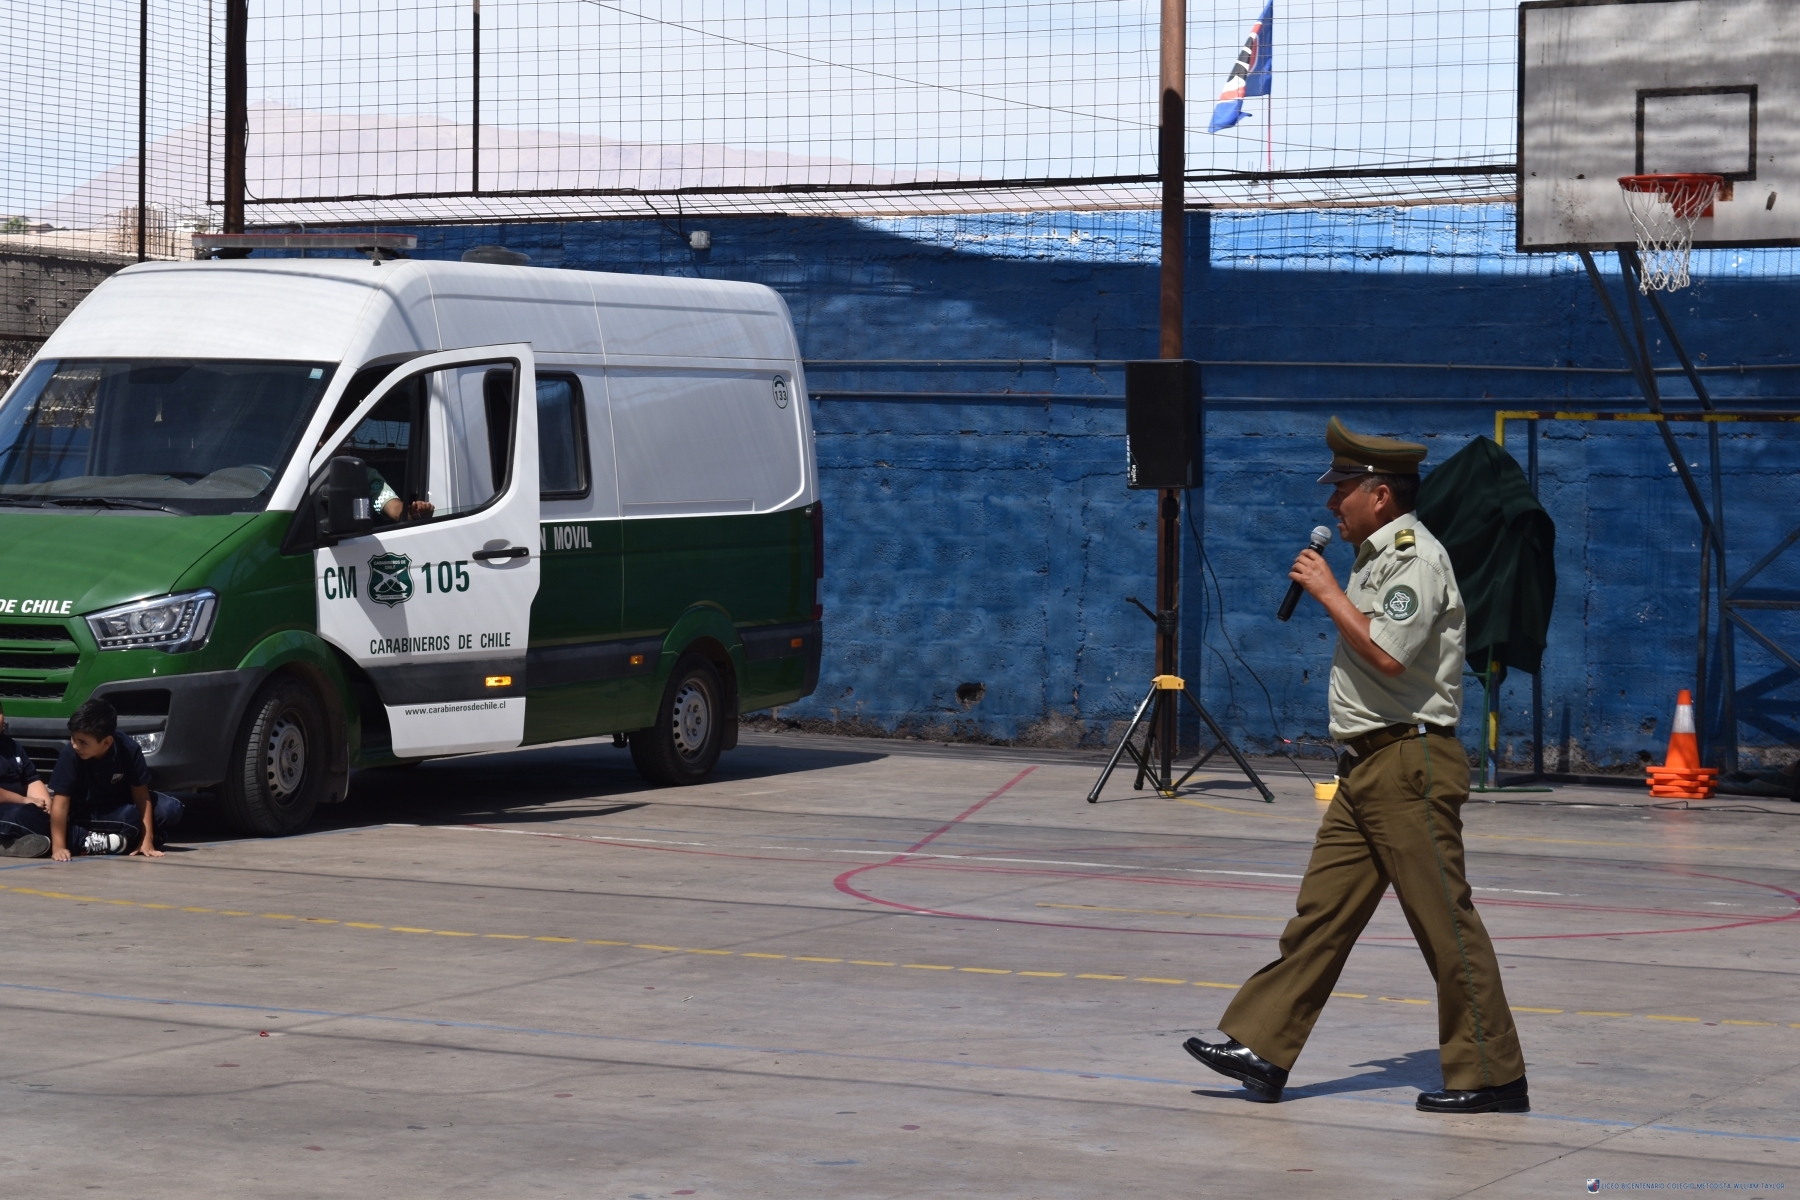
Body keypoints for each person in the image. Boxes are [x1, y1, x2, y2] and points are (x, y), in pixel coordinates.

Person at [1183, 417, 1528, 1115]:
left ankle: (1493, 1075)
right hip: (1365, 766)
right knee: (1322, 913)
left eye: (1341, 489)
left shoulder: (1414, 558)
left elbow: (1389, 655)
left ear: (1380, 494)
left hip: (1408, 763)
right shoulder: (1375, 558)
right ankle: (1263, 1047)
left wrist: (1327, 592)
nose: (1331, 503)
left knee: (1445, 924)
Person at [47, 698, 183, 861]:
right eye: (73, 738)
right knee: (132, 818)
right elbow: (60, 804)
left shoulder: (128, 749)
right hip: (88, 811)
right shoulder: (70, 755)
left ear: (107, 742)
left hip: (121, 804)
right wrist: (59, 847)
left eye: (83, 742)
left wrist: (147, 840)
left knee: (170, 809)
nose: (75, 745)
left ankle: (132, 839)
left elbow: (141, 796)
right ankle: (109, 837)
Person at [0, 701, 53, 858]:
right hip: (12, 811)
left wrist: (48, 807)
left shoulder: (11, 746)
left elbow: (31, 779)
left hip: (19, 809)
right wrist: (24, 800)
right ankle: (81, 840)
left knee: (59, 811)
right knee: (18, 815)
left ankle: (9, 844)